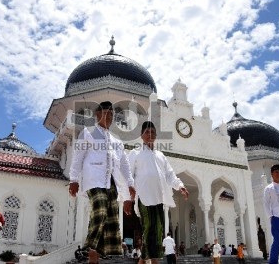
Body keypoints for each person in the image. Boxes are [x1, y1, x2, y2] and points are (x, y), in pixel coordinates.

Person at [69, 101, 136, 262]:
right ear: (98, 114)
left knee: (111, 218)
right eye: (106, 113)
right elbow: (78, 157)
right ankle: (88, 248)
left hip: (110, 183)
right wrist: (74, 179)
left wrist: (130, 184)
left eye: (112, 114)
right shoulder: (88, 132)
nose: (110, 117)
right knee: (100, 207)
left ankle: (99, 253)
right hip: (94, 180)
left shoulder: (116, 141)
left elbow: (124, 165)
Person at [128, 121, 189, 264]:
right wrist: (127, 199)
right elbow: (129, 176)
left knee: (157, 232)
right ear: (141, 135)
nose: (150, 135)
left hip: (159, 199)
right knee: (149, 230)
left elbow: (170, 175)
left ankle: (143, 261)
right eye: (147, 132)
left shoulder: (161, 155)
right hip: (143, 198)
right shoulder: (135, 153)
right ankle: (154, 262)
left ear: (156, 135)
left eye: (153, 132)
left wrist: (180, 186)